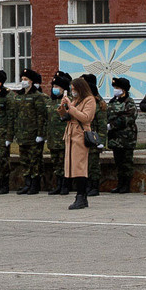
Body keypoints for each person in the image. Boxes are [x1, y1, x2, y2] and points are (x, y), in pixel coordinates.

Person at [61, 74, 101, 209]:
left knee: (80, 167)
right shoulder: (75, 100)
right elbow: (66, 117)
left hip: (80, 134)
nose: (73, 91)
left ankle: (81, 196)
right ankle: (80, 196)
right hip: (70, 134)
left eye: (74, 89)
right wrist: (63, 107)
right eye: (71, 89)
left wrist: (71, 108)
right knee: (72, 166)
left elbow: (85, 117)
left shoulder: (89, 100)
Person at [101, 78, 137, 194]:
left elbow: (129, 118)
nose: (115, 90)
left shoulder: (129, 102)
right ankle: (120, 184)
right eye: (115, 88)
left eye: (117, 88)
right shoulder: (112, 101)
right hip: (115, 139)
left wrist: (112, 125)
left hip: (126, 138)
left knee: (126, 163)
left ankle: (126, 185)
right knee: (119, 162)